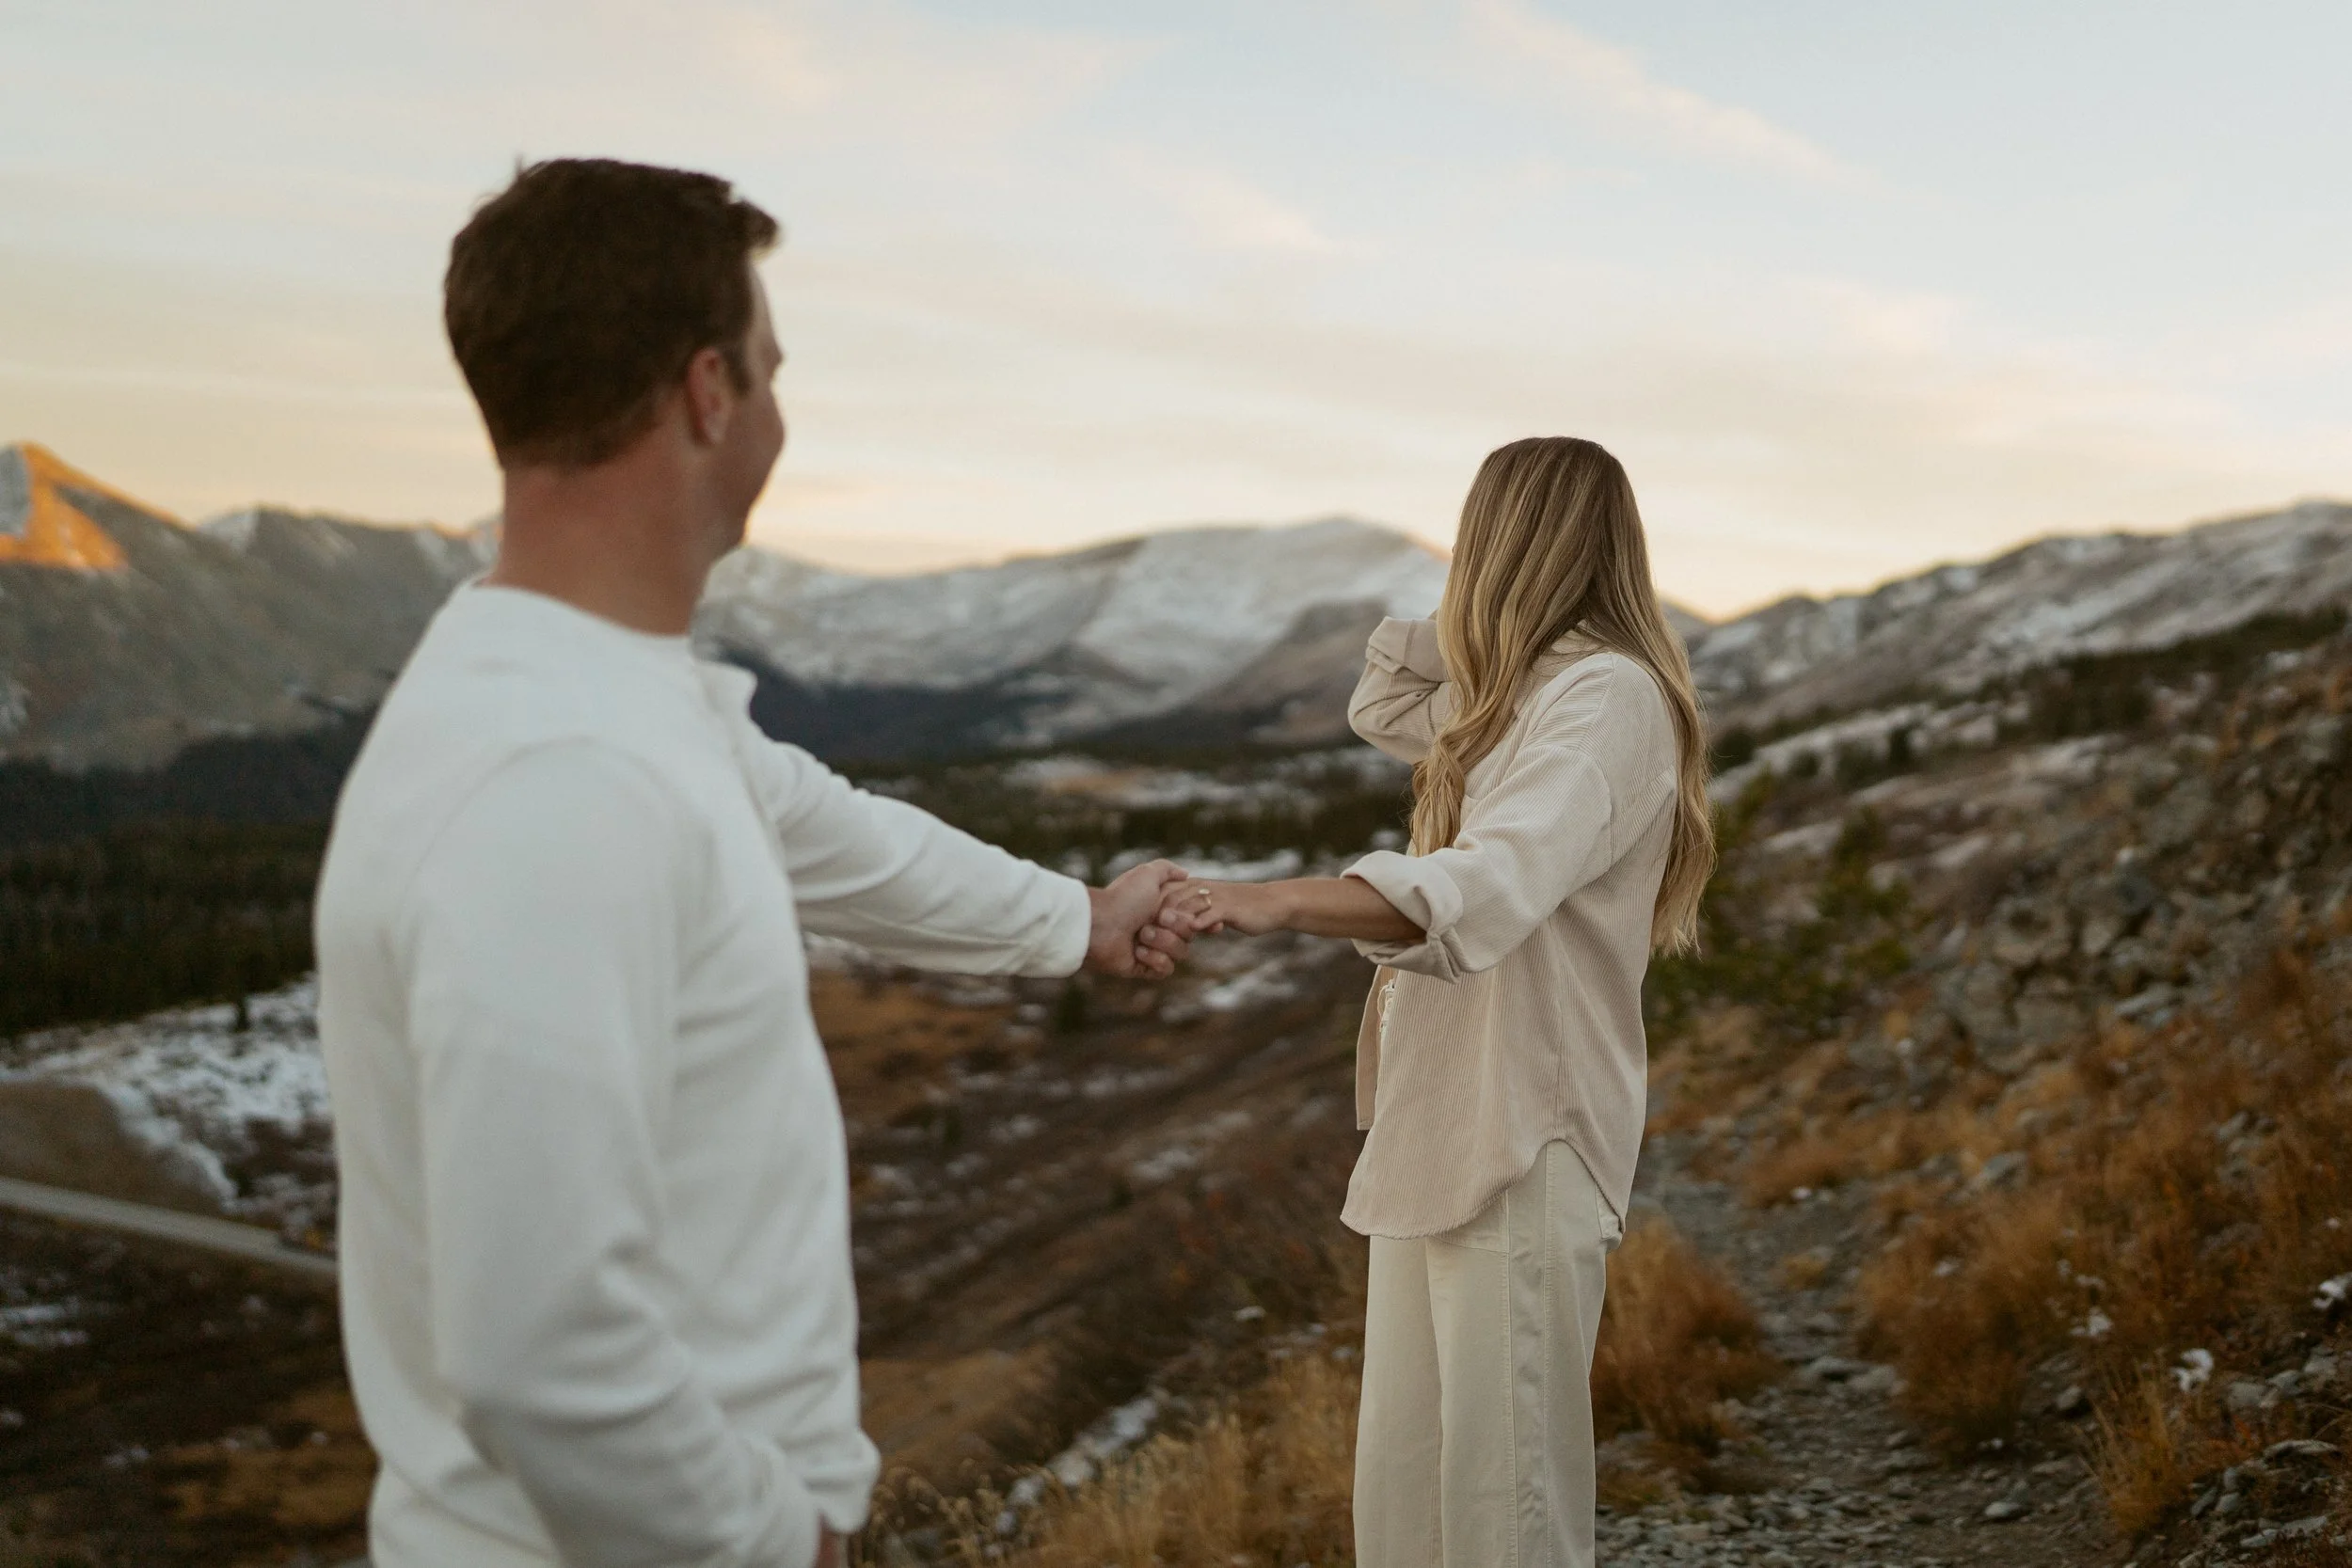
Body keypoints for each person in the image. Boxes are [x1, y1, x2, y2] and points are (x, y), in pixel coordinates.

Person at [313, 158, 1193, 1568]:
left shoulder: (599, 694)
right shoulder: (560, 779)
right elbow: (537, 1342)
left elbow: (819, 824)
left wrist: (1076, 917)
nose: (781, 414)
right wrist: (770, 1538)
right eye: (771, 373)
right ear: (709, 393)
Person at [1161, 436, 1715, 1568]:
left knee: (1504, 1509)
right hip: (1439, 1124)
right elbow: (1388, 694)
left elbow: (1482, 882)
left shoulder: (1608, 698)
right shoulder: (1524, 694)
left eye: (1480, 535)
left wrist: (1275, 903)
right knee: (1408, 1498)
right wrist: (1480, 621)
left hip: (1523, 1131)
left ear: (1507, 540)